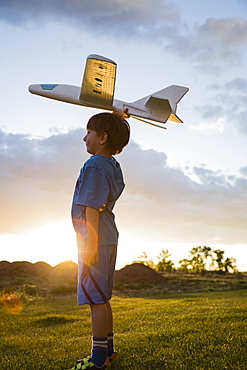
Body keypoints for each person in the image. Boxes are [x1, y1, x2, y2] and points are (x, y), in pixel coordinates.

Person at [70, 112, 130, 370]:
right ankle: (109, 350)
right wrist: (118, 119)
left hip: (96, 239)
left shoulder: (94, 164)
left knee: (95, 298)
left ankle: (97, 359)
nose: (85, 137)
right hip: (108, 236)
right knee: (102, 297)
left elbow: (92, 206)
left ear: (103, 138)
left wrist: (90, 245)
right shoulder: (112, 165)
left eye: (90, 133)